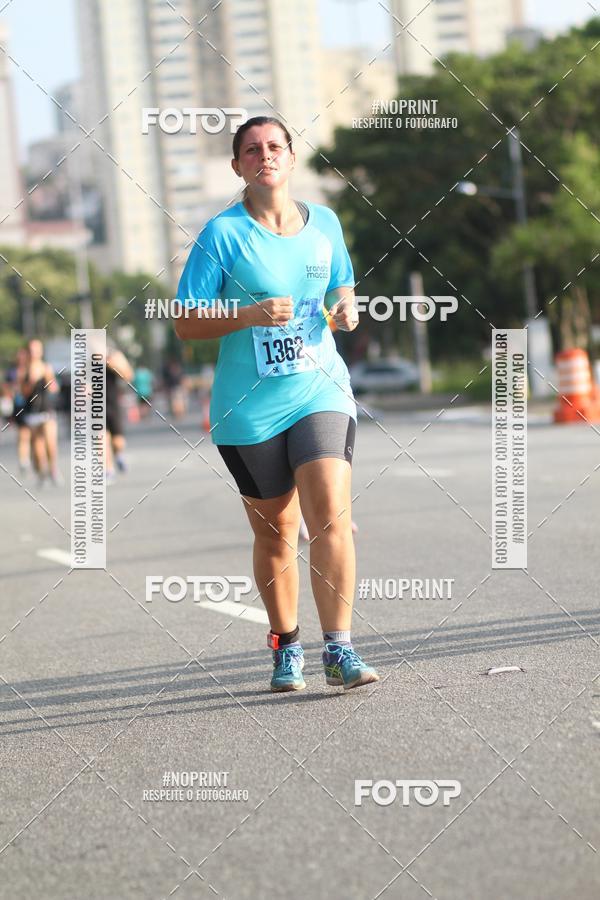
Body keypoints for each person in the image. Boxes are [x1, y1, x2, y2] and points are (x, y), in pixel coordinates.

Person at [175, 115, 379, 693]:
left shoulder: (326, 224)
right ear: (237, 165)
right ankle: (286, 647)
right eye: (251, 150)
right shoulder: (221, 236)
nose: (264, 156)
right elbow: (186, 324)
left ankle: (339, 649)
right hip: (249, 408)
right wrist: (247, 315)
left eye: (274, 146)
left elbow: (343, 284)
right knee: (275, 533)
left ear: (290, 157)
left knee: (331, 517)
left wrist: (347, 309)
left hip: (320, 389)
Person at [20, 339, 61, 486]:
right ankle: (41, 471)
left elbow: (54, 389)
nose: (34, 353)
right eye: (31, 350)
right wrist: (31, 381)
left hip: (47, 409)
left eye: (37, 349)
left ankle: (53, 469)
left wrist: (48, 377)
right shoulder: (23, 370)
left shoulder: (46, 367)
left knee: (51, 443)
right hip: (32, 412)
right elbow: (23, 393)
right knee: (37, 447)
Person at [105, 346, 133, 482]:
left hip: (113, 402)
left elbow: (128, 376)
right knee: (101, 438)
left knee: (118, 442)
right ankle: (108, 470)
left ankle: (119, 455)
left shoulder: (114, 355)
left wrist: (112, 365)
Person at [5, 347, 31, 475]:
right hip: (18, 406)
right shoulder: (11, 372)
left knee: (33, 435)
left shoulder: (31, 369)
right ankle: (23, 460)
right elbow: (6, 388)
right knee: (23, 433)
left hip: (32, 405)